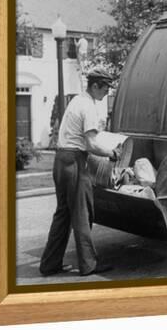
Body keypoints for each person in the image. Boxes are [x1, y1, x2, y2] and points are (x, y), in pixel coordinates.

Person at [39, 67, 121, 277]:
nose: (106, 93)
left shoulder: (76, 101)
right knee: (82, 214)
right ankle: (88, 264)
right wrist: (112, 153)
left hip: (61, 161)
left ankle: (49, 264)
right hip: (75, 162)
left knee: (63, 214)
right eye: (105, 89)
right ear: (95, 86)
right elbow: (91, 144)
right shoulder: (88, 106)